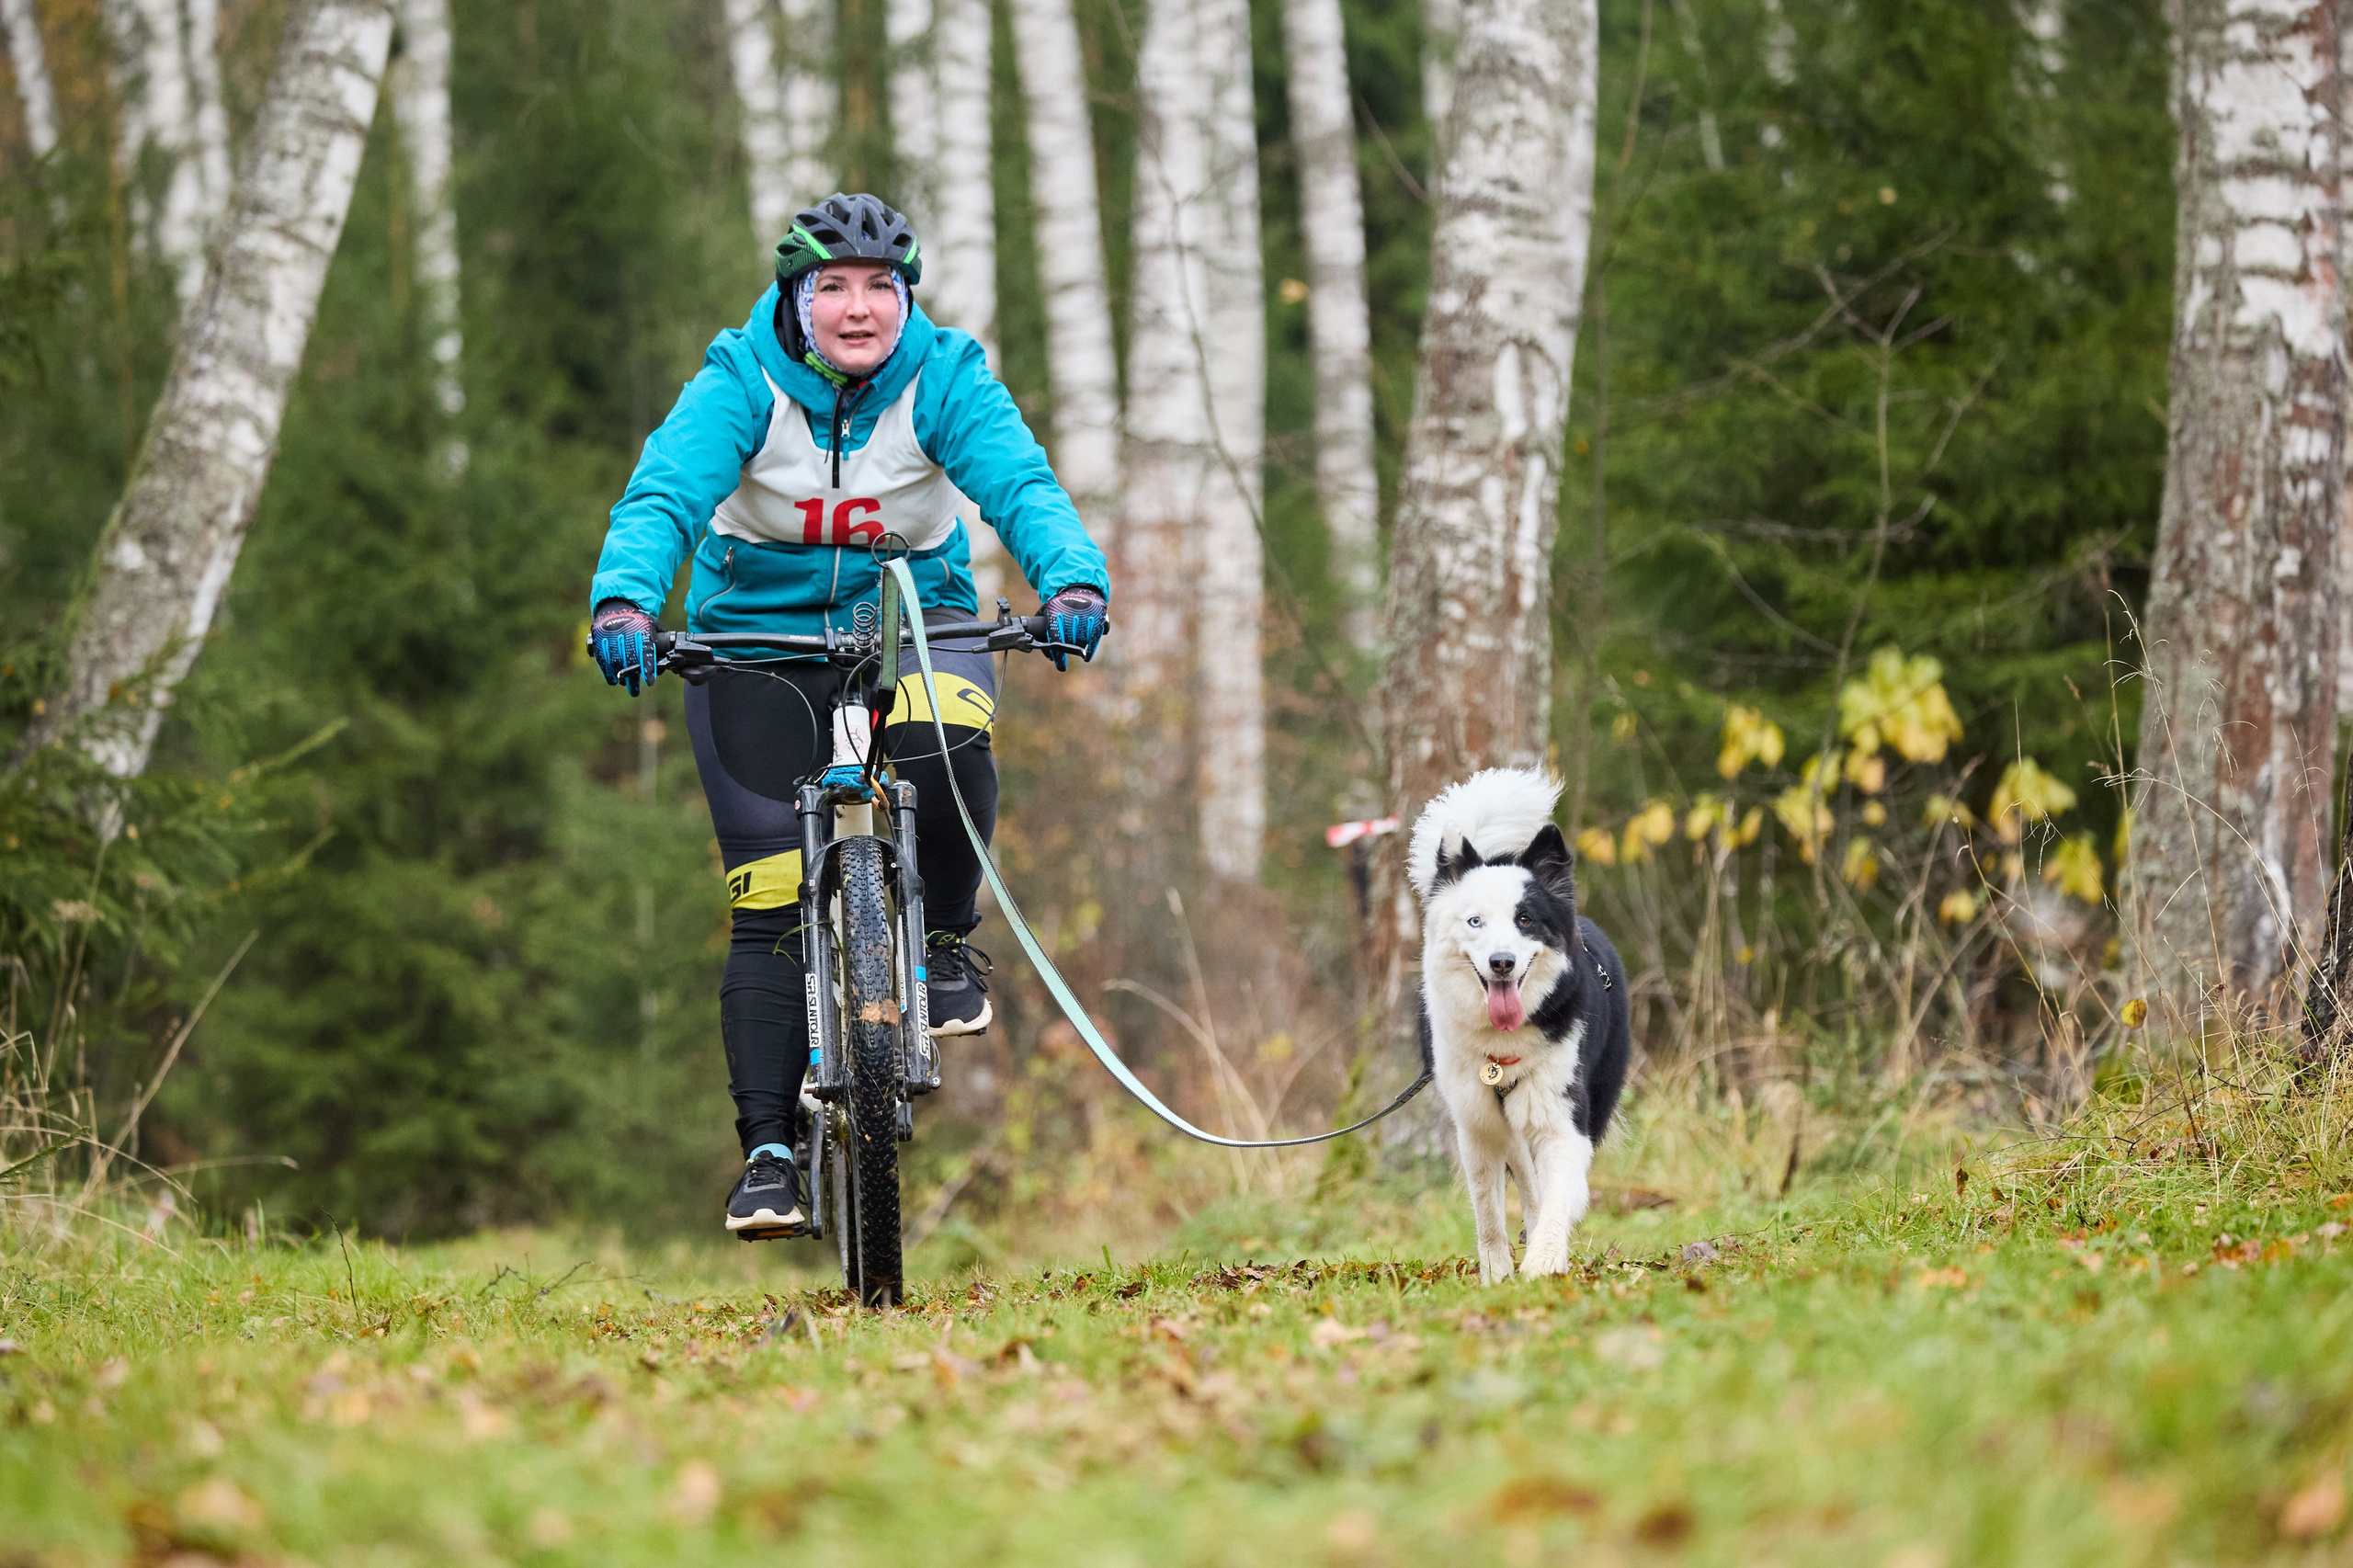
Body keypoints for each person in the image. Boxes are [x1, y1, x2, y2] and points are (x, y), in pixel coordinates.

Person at [585, 194, 1110, 1237]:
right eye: (835, 287)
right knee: (772, 897)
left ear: (906, 298)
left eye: (882, 287)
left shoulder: (945, 374)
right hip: (752, 639)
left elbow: (1020, 484)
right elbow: (664, 496)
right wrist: (626, 598)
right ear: (797, 298)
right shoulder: (739, 379)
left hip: (913, 613)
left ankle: (947, 943)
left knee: (949, 733)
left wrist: (1071, 581)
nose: (860, 309)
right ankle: (770, 1153)